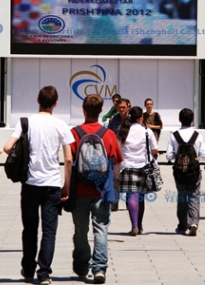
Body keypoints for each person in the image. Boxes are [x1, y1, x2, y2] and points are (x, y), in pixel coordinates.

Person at [3, 86, 74, 285]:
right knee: (49, 231)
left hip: (30, 183)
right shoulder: (61, 125)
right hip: (52, 184)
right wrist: (66, 186)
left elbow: (7, 147)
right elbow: (68, 159)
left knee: (30, 228)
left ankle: (27, 268)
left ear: (37, 100)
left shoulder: (26, 123)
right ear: (56, 103)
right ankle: (44, 274)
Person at [69, 94, 123, 284]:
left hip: (79, 190)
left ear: (83, 110)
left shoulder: (74, 133)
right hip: (101, 191)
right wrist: (111, 183)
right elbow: (117, 163)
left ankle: (82, 266)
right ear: (101, 111)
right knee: (101, 229)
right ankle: (99, 269)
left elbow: (70, 162)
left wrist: (66, 188)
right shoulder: (108, 134)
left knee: (80, 230)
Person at [166, 108, 205, 236]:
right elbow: (203, 155)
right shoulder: (197, 135)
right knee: (194, 196)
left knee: (182, 197)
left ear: (180, 120)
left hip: (179, 172)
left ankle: (182, 225)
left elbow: (169, 156)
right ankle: (194, 223)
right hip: (194, 171)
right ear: (192, 120)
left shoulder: (174, 135)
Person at [117, 106, 158, 236]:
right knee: (140, 196)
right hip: (143, 166)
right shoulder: (147, 132)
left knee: (131, 195)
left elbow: (118, 149)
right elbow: (155, 149)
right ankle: (139, 225)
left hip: (127, 166)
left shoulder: (123, 131)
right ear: (141, 117)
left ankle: (134, 225)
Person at [107, 98, 130, 211]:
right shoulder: (113, 120)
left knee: (128, 179)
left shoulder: (131, 120)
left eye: (124, 107)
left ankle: (129, 203)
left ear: (128, 107)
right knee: (115, 178)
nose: (121, 109)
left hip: (129, 154)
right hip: (116, 154)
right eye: (120, 107)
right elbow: (109, 135)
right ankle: (114, 203)